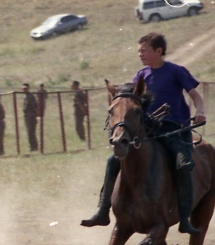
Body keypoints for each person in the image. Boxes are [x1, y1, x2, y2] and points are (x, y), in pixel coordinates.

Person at [82, 32, 206, 234]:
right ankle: (103, 210)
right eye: (139, 51)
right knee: (112, 161)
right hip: (148, 129)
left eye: (144, 50)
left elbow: (196, 96)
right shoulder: (140, 75)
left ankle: (184, 218)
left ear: (158, 51)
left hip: (175, 129)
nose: (140, 54)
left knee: (183, 165)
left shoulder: (177, 71)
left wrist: (200, 111)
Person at [21, 82, 39, 152]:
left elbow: (35, 107)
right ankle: (32, 146)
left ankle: (34, 147)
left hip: (31, 116)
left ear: (28, 88)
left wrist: (37, 116)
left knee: (31, 132)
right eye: (23, 89)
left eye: (25, 88)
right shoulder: (25, 96)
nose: (24, 90)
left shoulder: (31, 96)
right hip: (27, 117)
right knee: (29, 132)